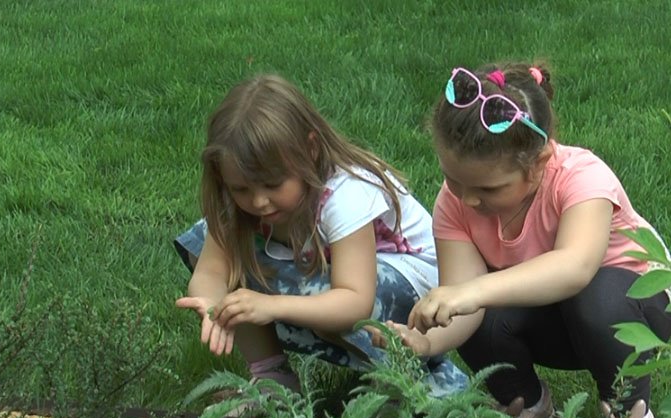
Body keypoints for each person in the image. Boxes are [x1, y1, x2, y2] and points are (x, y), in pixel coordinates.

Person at [376, 62, 671, 418]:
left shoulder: (581, 177)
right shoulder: (456, 202)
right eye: (453, 179)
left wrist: (474, 292)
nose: (467, 198)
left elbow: (575, 268)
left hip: (636, 308)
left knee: (593, 296)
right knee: (476, 308)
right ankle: (525, 403)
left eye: (488, 188)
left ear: (538, 164)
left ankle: (629, 414)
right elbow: (463, 303)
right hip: (556, 314)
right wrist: (427, 342)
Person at [173, 73, 468, 399]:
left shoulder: (346, 193)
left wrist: (271, 305)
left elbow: (354, 302)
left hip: (412, 284)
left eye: (272, 184)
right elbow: (211, 271)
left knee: (324, 298)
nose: (258, 201)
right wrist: (212, 303)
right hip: (333, 270)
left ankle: (434, 387)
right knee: (203, 238)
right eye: (241, 188)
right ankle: (274, 383)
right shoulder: (243, 202)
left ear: (310, 150)